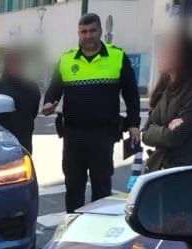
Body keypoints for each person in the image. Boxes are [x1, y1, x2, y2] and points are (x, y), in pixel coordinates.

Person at [40, 14, 140, 212]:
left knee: (101, 189)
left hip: (103, 135)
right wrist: (48, 104)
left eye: (92, 30)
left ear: (101, 31)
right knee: (73, 188)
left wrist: (134, 123)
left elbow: (131, 94)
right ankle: (73, 231)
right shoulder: (66, 60)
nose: (88, 36)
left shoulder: (117, 57)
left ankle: (97, 234)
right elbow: (54, 90)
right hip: (73, 136)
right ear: (78, 34)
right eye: (83, 32)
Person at [142, 31, 192, 171]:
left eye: (169, 50)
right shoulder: (165, 89)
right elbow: (145, 133)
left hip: (185, 173)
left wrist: (158, 130)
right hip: (161, 171)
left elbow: (174, 138)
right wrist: (166, 129)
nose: (162, 53)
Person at [0, 47, 41, 153]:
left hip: (25, 144)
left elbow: (33, 113)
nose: (18, 66)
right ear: (7, 66)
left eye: (21, 63)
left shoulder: (32, 88)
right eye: (14, 63)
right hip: (3, 145)